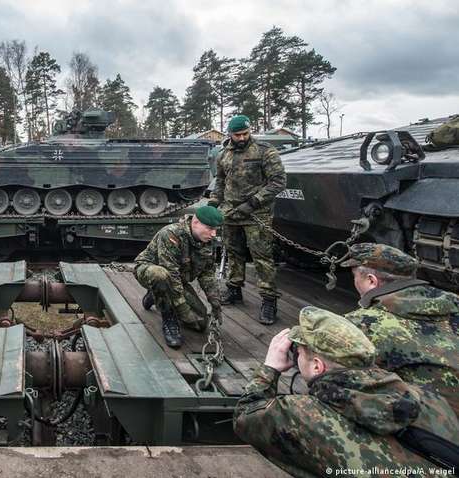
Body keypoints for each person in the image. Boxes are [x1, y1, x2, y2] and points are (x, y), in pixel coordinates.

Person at [234, 306, 459, 476]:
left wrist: (269, 369)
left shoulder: (302, 415)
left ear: (317, 366)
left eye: (300, 352)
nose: (296, 356)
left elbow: (245, 417)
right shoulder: (429, 399)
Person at [342, 242, 459, 415]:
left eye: (355, 276)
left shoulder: (364, 323)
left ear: (371, 281)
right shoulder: (453, 300)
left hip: (442, 425)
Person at [209, 114, 286, 325]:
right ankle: (234, 289)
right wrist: (213, 204)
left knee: (262, 257)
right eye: (237, 135)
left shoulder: (264, 150)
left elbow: (278, 181)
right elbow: (220, 182)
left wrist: (253, 203)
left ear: (249, 130)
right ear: (230, 134)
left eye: (245, 133)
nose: (242, 138)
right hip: (231, 213)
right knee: (233, 252)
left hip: (256, 214)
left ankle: (269, 301)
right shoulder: (223, 154)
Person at [133, 206, 223, 349]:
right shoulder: (171, 234)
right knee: (161, 276)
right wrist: (182, 308)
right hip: (151, 272)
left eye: (216, 229)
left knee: (200, 323)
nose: (213, 234)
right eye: (210, 228)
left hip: (177, 280)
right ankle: (169, 319)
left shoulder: (207, 242)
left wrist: (215, 303)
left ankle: (154, 294)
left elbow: (207, 274)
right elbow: (171, 272)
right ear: (196, 223)